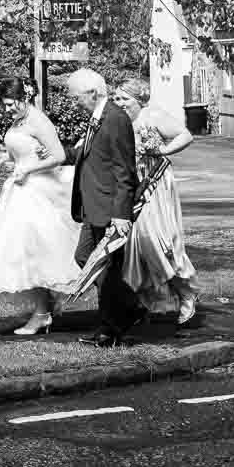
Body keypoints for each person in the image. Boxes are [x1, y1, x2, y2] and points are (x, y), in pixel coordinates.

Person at [0, 83, 82, 335]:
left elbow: (57, 156)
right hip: (21, 190)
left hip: (38, 190)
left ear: (25, 98)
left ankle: (42, 313)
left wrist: (28, 169)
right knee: (23, 252)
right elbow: (25, 152)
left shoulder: (38, 120)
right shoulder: (19, 120)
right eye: (4, 104)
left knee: (37, 251)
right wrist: (6, 158)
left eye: (11, 103)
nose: (7, 108)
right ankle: (43, 308)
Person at [110, 77, 200, 327]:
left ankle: (186, 293)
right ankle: (144, 302)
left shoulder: (153, 116)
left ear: (138, 100)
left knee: (158, 241)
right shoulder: (118, 120)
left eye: (124, 99)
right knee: (133, 246)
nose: (119, 103)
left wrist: (161, 151)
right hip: (130, 187)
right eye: (116, 98)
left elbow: (185, 135)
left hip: (154, 185)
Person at [62, 67, 139, 346]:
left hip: (109, 209)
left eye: (76, 96)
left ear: (93, 93)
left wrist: (121, 214)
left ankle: (110, 330)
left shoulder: (115, 119)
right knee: (86, 258)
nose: (74, 102)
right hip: (94, 206)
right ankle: (130, 307)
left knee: (105, 268)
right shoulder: (97, 118)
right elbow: (90, 156)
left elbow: (124, 170)